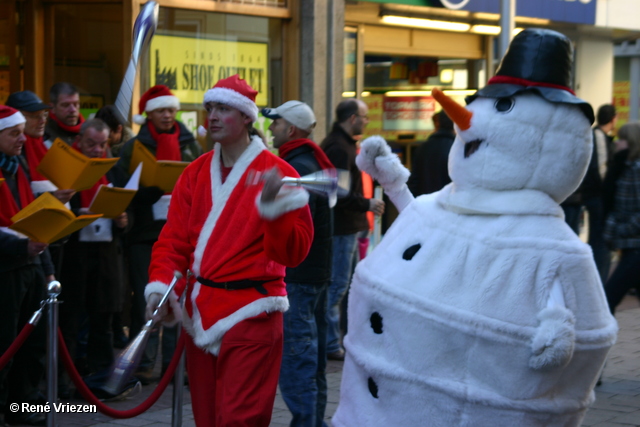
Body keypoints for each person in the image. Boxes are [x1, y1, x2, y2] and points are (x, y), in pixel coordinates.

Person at [144, 75, 313, 426]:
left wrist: (275, 213)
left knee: (240, 420)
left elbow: (294, 254)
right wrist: (162, 287)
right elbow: (173, 240)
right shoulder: (193, 174)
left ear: (248, 118)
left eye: (224, 108)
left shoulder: (280, 173)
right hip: (201, 311)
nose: (213, 116)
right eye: (210, 108)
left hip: (252, 311)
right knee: (207, 418)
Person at [116, 84, 202, 383]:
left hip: (183, 233)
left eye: (171, 110)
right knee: (148, 299)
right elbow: (121, 190)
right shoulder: (133, 147)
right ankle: (145, 361)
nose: (168, 115)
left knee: (181, 299)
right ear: (149, 114)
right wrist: (143, 195)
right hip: (144, 233)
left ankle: (174, 364)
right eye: (161, 111)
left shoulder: (191, 143)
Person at [263, 100, 332, 427]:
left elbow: (295, 226)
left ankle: (306, 423)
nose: (271, 129)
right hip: (314, 275)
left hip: (299, 276)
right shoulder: (310, 160)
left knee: (297, 359)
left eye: (275, 123)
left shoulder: (297, 167)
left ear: (289, 129)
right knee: (312, 359)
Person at [57, 119, 131, 396]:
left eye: (102, 144)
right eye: (91, 144)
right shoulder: (66, 170)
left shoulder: (115, 172)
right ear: (79, 141)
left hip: (107, 257)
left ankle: (103, 380)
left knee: (103, 322)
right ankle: (64, 381)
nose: (98, 149)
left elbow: (128, 211)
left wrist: (124, 220)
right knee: (70, 322)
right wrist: (76, 215)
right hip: (75, 256)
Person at [320, 99, 384, 361]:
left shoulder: (343, 144)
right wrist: (367, 203)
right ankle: (330, 342)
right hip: (342, 227)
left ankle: (338, 338)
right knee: (337, 287)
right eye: (364, 116)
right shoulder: (338, 147)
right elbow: (339, 193)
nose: (367, 121)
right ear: (351, 118)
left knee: (346, 286)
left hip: (349, 226)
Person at [0, 105, 52, 426]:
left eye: (22, 132)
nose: (23, 139)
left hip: (30, 266)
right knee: (5, 345)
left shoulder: (18, 165)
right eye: (14, 133)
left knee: (31, 345)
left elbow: (34, 219)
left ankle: (23, 407)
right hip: (5, 271)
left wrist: (47, 268)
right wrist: (23, 246)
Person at [562, 104, 617, 285]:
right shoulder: (596, 137)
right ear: (613, 119)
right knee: (597, 240)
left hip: (578, 196)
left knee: (580, 238)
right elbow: (600, 170)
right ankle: (594, 281)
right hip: (586, 197)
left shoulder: (582, 136)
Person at [6, 90, 76, 204]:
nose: (43, 121)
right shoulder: (8, 153)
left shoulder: (47, 144)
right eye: (35, 116)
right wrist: (52, 198)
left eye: (44, 114)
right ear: (16, 118)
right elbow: (14, 200)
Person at [603, 121, 640, 314]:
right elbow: (614, 208)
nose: (617, 142)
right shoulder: (623, 167)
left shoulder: (636, 169)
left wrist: (621, 230)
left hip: (635, 247)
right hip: (629, 247)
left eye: (622, 139)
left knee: (608, 299)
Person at [407, 110, 455, 197]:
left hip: (426, 206)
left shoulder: (421, 149)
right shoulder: (458, 149)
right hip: (451, 205)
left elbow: (414, 184)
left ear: (437, 124)